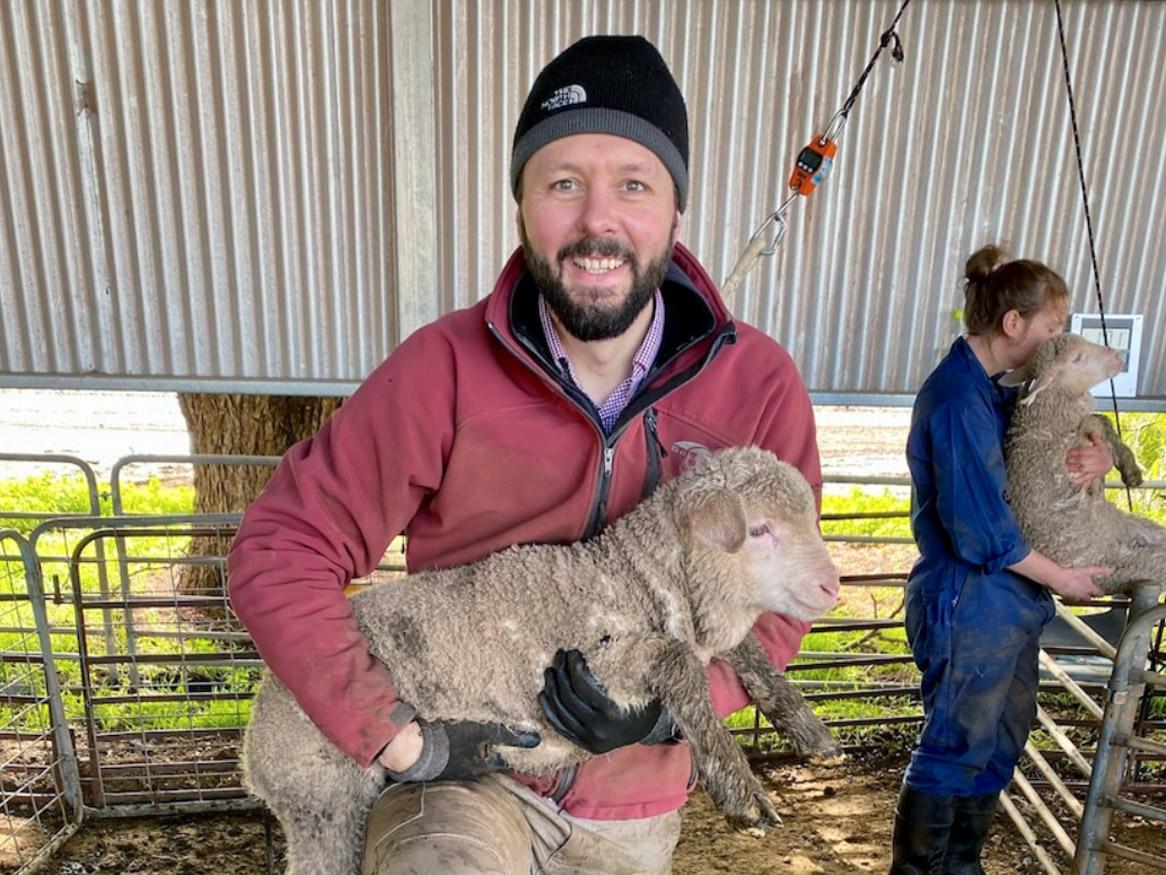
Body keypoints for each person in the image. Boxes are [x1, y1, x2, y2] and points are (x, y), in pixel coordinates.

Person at [227, 34, 822, 874]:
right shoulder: (444, 367)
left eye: (634, 184)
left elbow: (786, 597)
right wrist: (403, 743)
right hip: (468, 778)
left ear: (676, 211)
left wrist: (666, 713)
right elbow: (281, 548)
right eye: (564, 183)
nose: (597, 221)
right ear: (522, 205)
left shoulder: (755, 383)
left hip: (631, 803)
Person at [890, 245, 1113, 874]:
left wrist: (1095, 448)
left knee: (1000, 739)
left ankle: (960, 866)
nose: (1059, 340)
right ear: (1014, 325)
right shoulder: (958, 398)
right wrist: (1063, 577)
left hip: (1007, 601)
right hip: (969, 595)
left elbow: (1047, 445)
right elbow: (979, 530)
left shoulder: (996, 393)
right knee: (957, 743)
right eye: (1052, 328)